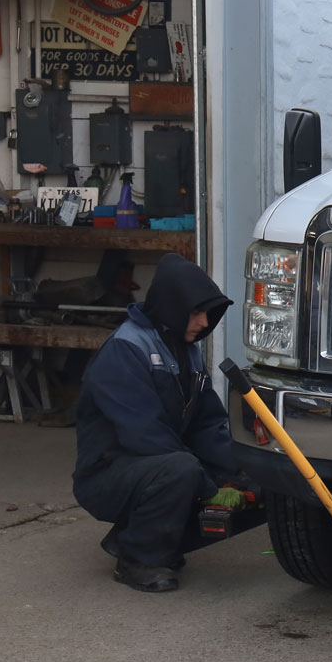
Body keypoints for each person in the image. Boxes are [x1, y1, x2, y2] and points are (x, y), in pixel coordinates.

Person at [71, 252, 236, 592]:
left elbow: (207, 423)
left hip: (154, 463)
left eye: (207, 313)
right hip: (107, 475)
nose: (205, 322)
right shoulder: (125, 350)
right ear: (172, 306)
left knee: (244, 475)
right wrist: (209, 487)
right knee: (183, 472)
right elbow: (143, 434)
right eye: (196, 312)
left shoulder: (184, 348)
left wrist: (246, 467)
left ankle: (136, 536)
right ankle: (138, 558)